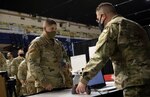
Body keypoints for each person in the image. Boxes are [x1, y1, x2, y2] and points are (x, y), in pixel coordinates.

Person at [76, 2, 150, 97]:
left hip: (132, 83)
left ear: (103, 16)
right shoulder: (136, 26)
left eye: (98, 19)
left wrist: (83, 80)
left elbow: (100, 56)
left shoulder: (112, 26)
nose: (99, 22)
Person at [26, 19, 72, 93]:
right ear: (44, 29)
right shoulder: (37, 44)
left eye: (55, 29)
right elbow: (33, 64)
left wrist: (67, 63)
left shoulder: (58, 44)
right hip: (46, 86)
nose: (54, 31)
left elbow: (65, 57)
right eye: (52, 28)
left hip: (60, 83)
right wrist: (44, 82)